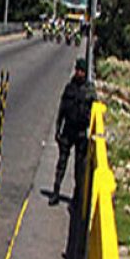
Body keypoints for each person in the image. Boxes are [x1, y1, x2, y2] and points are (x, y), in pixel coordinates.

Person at [51, 58, 95, 206]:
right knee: (61, 163)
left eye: (81, 71)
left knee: (79, 168)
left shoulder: (90, 91)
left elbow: (95, 112)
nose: (79, 73)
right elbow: (62, 109)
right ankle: (55, 192)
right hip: (68, 131)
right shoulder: (69, 87)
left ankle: (77, 196)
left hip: (81, 133)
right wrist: (57, 129)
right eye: (77, 70)